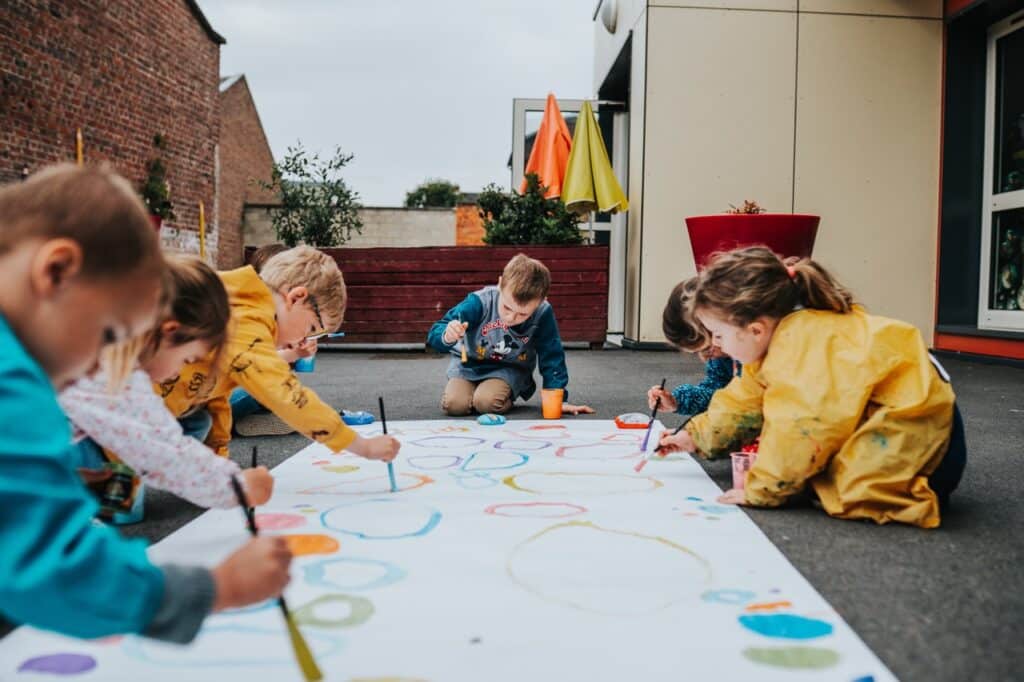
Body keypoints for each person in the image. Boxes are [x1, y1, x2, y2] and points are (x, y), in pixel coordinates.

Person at [0, 165, 290, 642]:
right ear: (56, 271)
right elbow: (54, 569)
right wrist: (217, 587)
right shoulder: (16, 381)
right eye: (109, 337)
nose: (101, 368)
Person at [657, 246, 966, 528]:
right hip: (910, 420)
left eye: (718, 335)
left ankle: (907, 487)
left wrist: (762, 488)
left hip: (925, 442)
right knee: (812, 470)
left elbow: (801, 425)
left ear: (754, 329)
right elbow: (740, 404)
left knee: (843, 488)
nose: (717, 345)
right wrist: (693, 435)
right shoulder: (773, 344)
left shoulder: (800, 343)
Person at [60, 255, 274, 521]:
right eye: (187, 359)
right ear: (170, 331)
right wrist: (239, 488)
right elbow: (165, 453)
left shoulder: (97, 340)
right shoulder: (114, 371)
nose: (179, 370)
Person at [153, 246, 400, 462]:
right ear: (296, 297)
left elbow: (215, 396)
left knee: (199, 422)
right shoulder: (247, 320)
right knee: (123, 507)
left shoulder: (242, 309)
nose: (304, 338)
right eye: (311, 328)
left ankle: (170, 471)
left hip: (160, 409)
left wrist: (217, 457)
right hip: (128, 414)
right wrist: (363, 446)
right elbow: (286, 395)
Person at [427, 253, 593, 416]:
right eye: (507, 308)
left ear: (541, 301)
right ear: (500, 284)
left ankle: (494, 395)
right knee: (454, 405)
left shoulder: (543, 312)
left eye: (522, 314)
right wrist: (447, 335)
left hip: (508, 369)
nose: (511, 318)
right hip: (468, 365)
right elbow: (436, 332)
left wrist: (559, 400)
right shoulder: (479, 302)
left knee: (486, 403)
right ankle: (474, 395)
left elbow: (551, 354)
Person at [647, 277, 740, 417]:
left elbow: (745, 407)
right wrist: (677, 401)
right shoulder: (722, 355)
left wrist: (696, 434)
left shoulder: (756, 354)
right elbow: (717, 391)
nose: (705, 358)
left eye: (706, 349)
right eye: (696, 352)